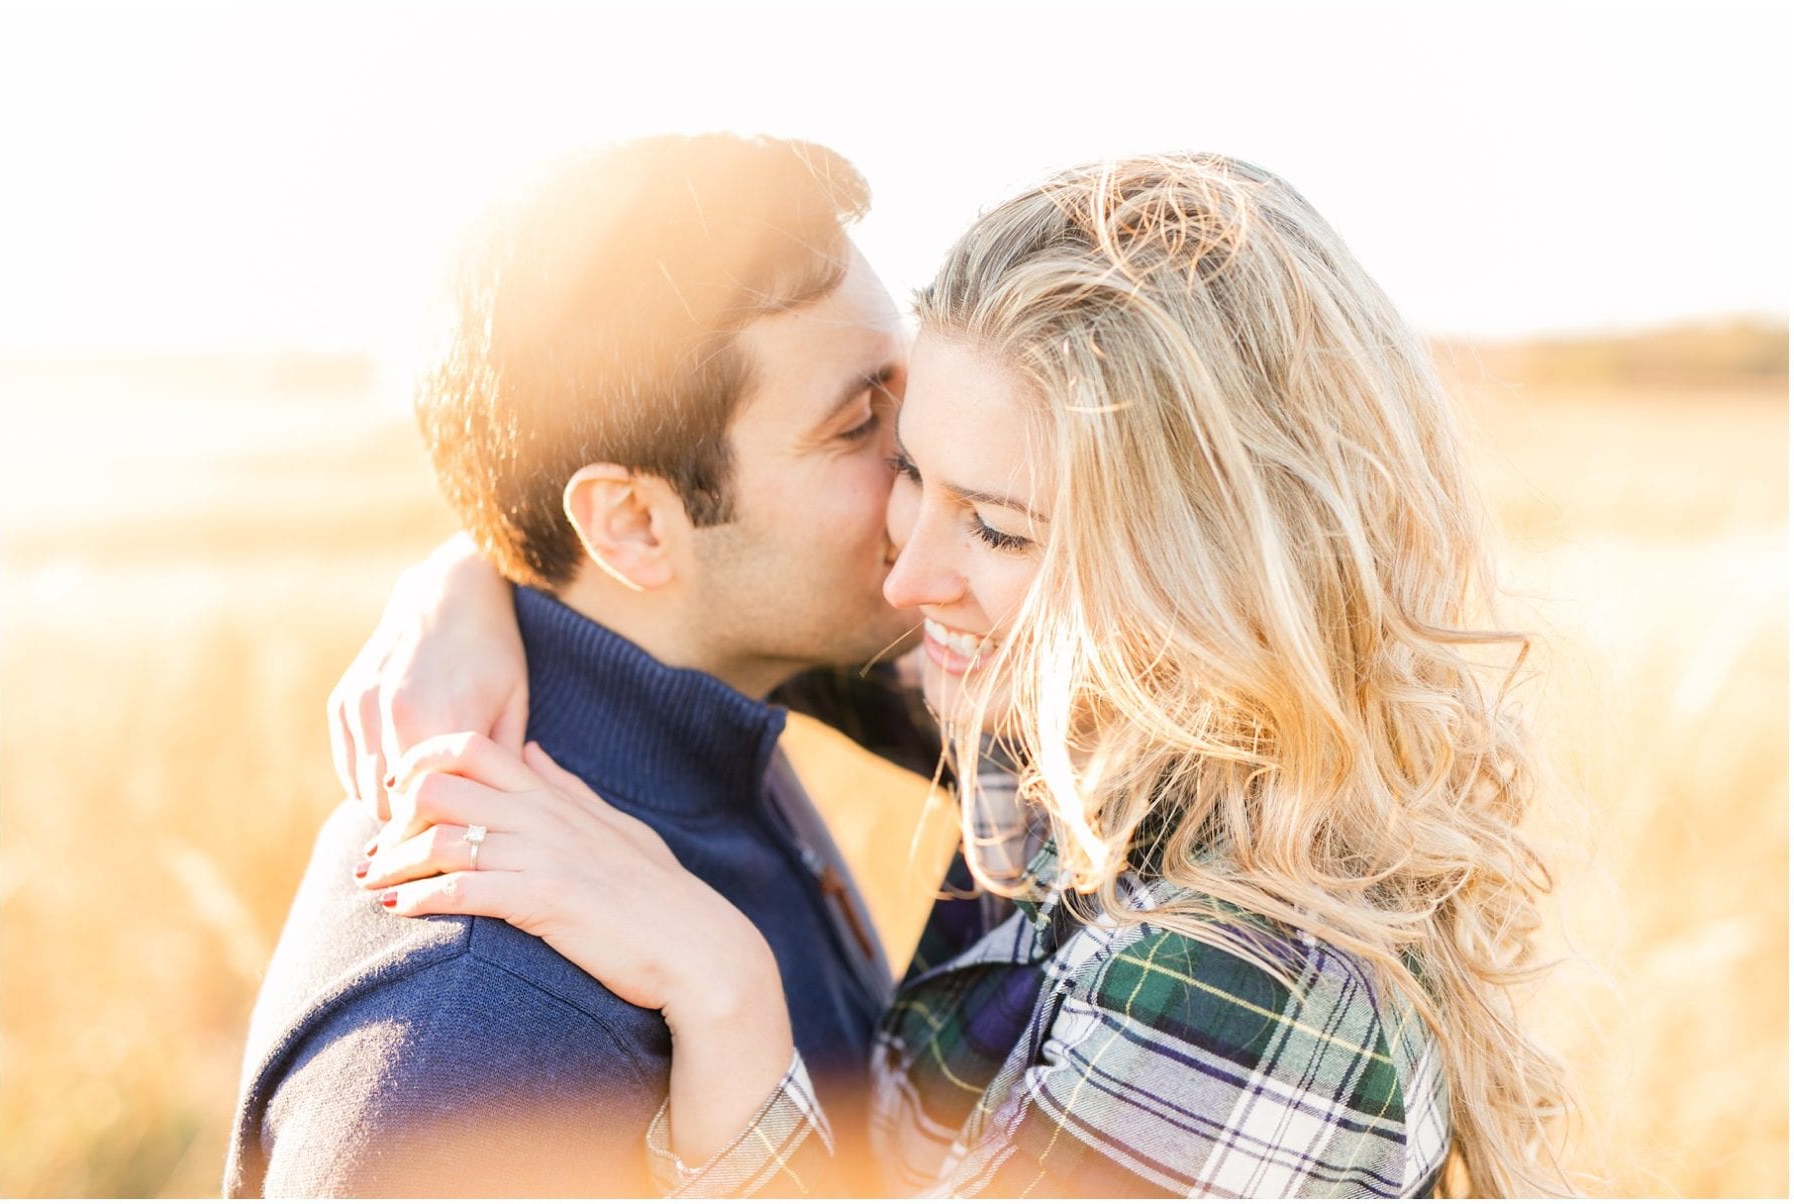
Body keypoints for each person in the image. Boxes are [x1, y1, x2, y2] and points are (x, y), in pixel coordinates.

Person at [341, 153, 1569, 1196]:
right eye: (909, 465)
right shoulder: (1089, 720)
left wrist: (724, 994)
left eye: (997, 524)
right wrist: (485, 569)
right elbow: (687, 574)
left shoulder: (1247, 989)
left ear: (1203, 567)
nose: (906, 571)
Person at [225, 133, 938, 1197]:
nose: (925, 454)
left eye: (904, 387)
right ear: (636, 526)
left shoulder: (725, 701)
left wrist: (469, 565)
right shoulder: (472, 1020)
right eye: (857, 423)